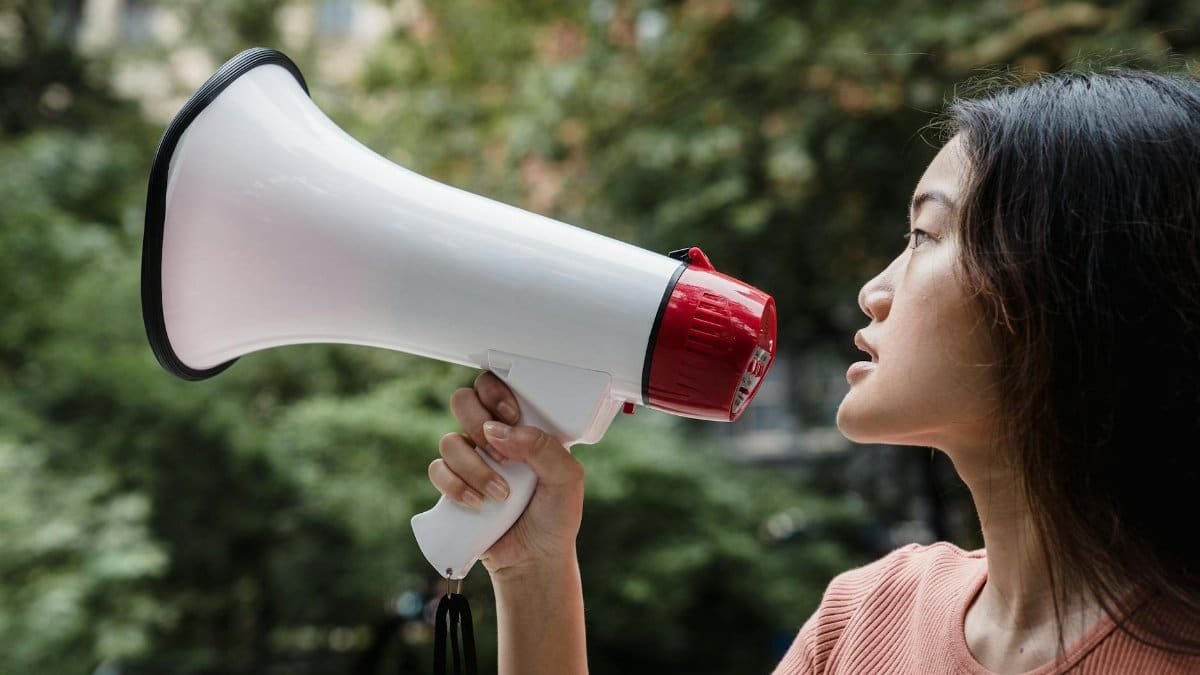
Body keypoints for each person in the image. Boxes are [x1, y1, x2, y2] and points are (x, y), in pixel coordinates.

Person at [426, 67, 1200, 674]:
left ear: (1066, 291)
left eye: (926, 236)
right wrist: (534, 570)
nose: (875, 290)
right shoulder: (866, 620)